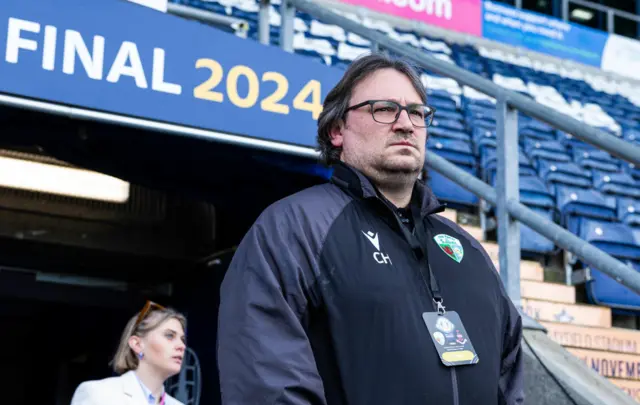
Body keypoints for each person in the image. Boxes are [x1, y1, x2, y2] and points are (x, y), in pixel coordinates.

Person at [217, 53, 524, 405]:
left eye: (417, 113)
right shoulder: (292, 230)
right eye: (385, 109)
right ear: (337, 130)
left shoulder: (468, 250)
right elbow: (268, 389)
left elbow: (509, 378)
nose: (406, 124)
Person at [70, 301, 187, 405]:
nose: (181, 346)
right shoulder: (98, 393)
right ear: (137, 344)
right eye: (169, 336)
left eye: (182, 339)